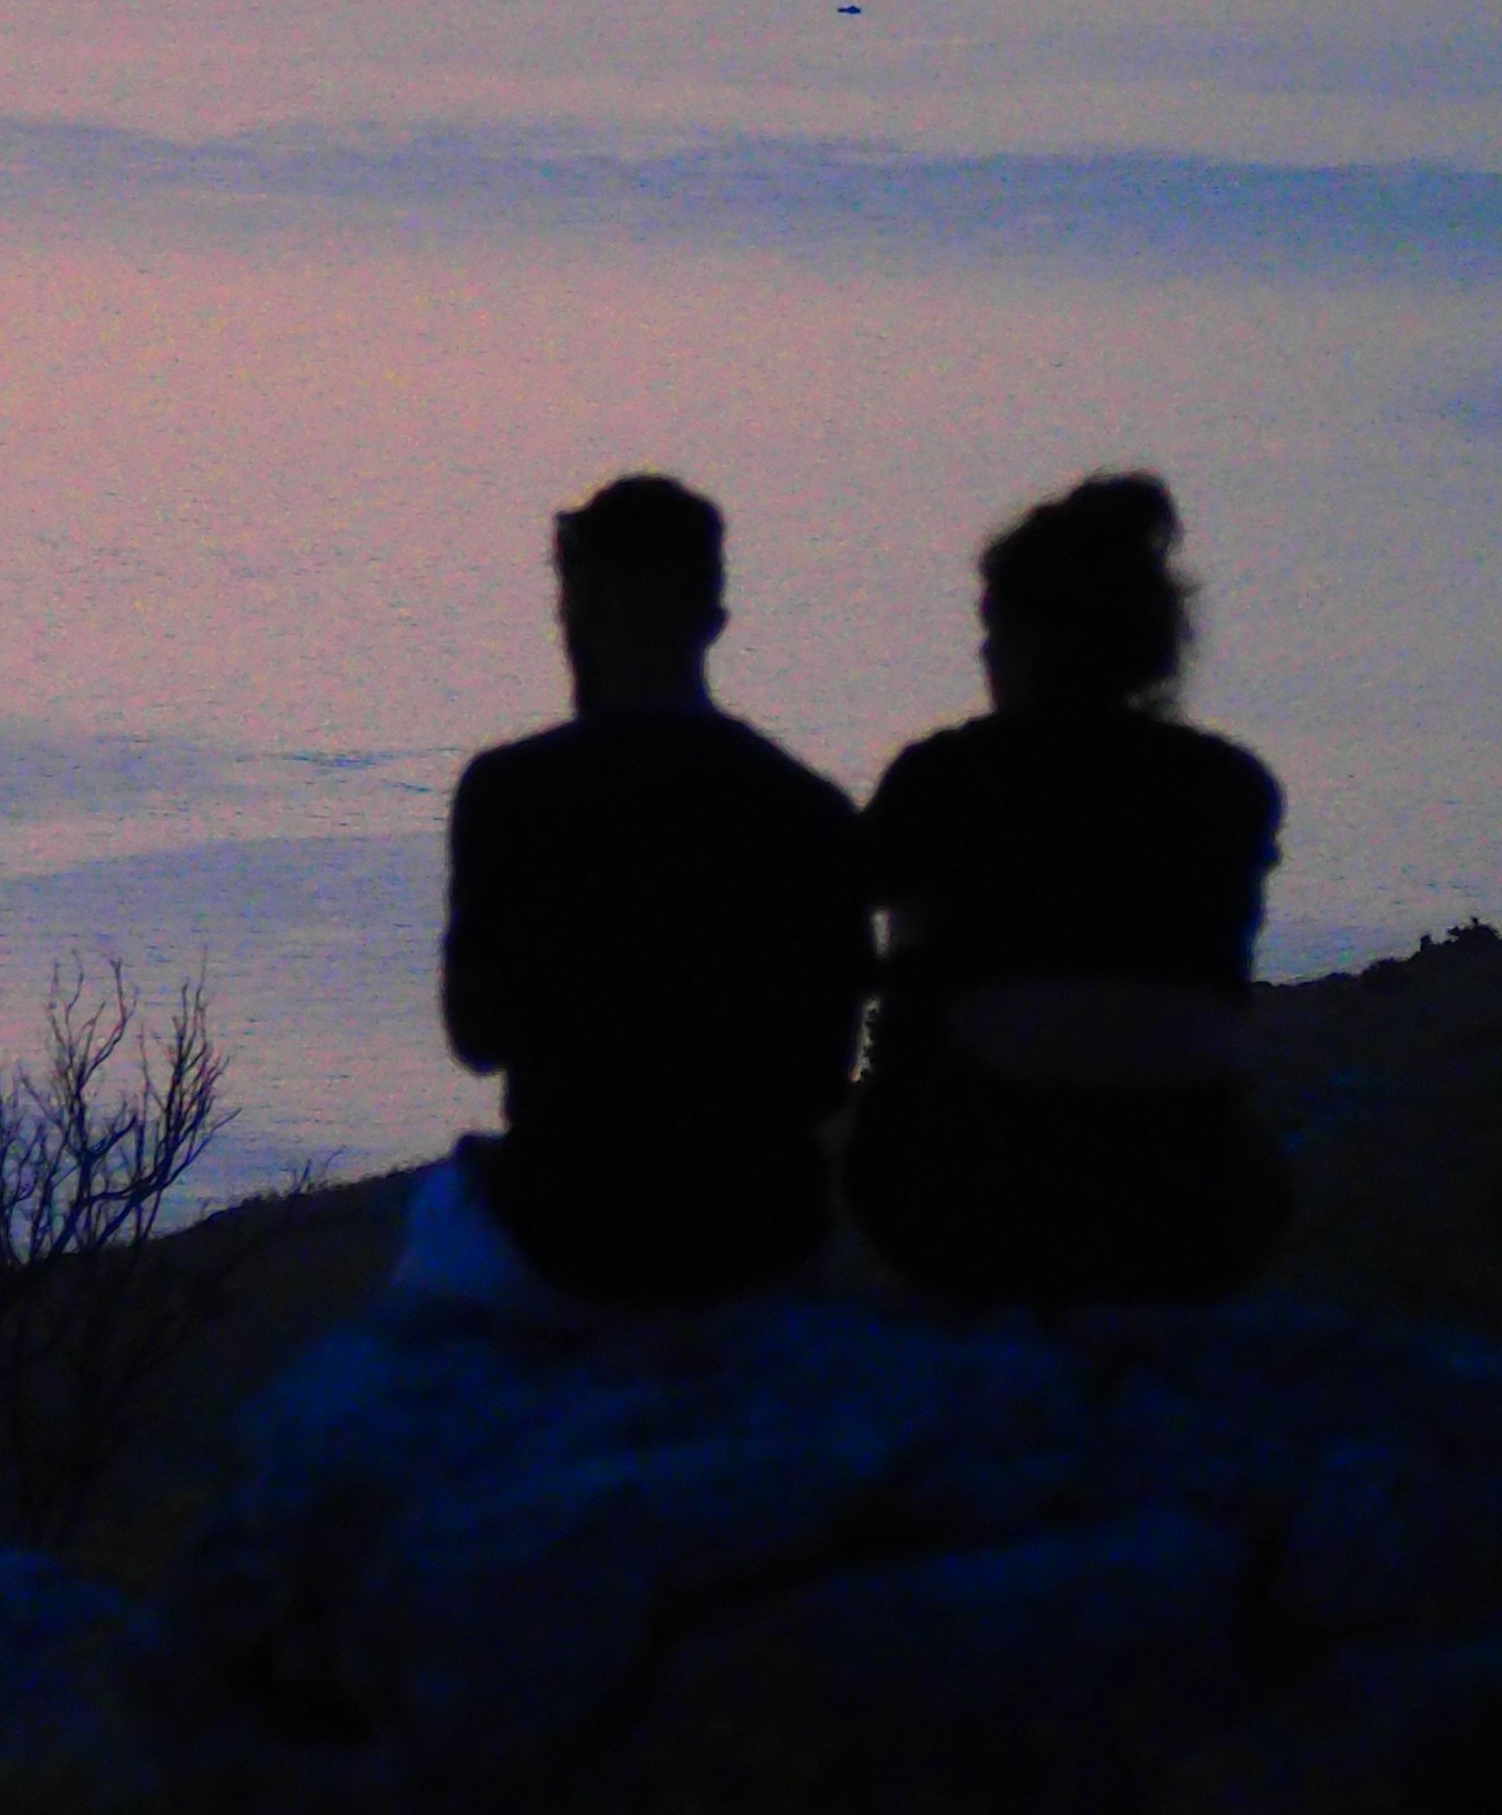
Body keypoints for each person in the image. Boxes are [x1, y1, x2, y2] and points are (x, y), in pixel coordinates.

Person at [405, 471, 870, 1321]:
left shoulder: (511, 791)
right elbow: (820, 1076)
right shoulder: (810, 810)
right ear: (712, 623)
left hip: (568, 1229)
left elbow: (476, 1036)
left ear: (585, 611)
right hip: (753, 1234)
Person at [845, 470, 1288, 1308]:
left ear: (1027, 636)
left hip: (975, 1208)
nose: (983, 654)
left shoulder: (942, 779)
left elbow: (843, 936)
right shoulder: (1229, 787)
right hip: (1205, 1210)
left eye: (993, 629)